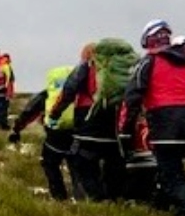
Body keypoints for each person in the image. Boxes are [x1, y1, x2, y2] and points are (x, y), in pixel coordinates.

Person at [121, 20, 185, 216]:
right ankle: (162, 205)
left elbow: (132, 98)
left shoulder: (149, 62)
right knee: (171, 168)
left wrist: (126, 131)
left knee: (171, 173)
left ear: (148, 41)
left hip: (165, 123)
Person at [46, 40, 137, 201]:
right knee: (113, 161)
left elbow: (69, 91)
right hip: (112, 122)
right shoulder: (118, 71)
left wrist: (55, 113)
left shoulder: (85, 67)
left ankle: (96, 199)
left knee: (84, 162)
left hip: (88, 123)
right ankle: (115, 198)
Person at [9, 65, 84, 201]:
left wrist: (16, 129)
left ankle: (59, 197)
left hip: (55, 137)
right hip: (77, 135)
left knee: (50, 163)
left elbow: (29, 112)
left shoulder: (47, 95)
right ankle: (82, 199)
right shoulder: (82, 93)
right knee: (77, 167)